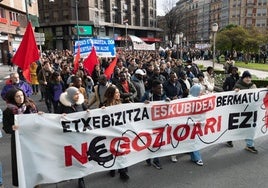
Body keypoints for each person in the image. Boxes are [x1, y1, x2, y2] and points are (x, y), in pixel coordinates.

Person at [2, 88, 39, 187]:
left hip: (31, 138)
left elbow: (37, 120)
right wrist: (12, 128)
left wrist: (40, 115)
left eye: (22, 95)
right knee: (20, 161)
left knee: (33, 159)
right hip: (17, 140)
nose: (20, 98)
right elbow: (6, 128)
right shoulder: (8, 112)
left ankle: (36, 182)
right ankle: (22, 182)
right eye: (17, 96)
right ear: (13, 98)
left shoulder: (30, 107)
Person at [57, 87, 88, 188]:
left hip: (80, 135)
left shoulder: (81, 103)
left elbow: (88, 112)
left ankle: (81, 178)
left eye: (78, 93)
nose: (77, 95)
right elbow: (54, 118)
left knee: (80, 157)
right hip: (68, 136)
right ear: (69, 95)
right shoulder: (62, 105)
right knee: (69, 157)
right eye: (75, 94)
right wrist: (60, 116)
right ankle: (69, 174)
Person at [227, 70, 258, 153]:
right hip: (238, 111)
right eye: (246, 77)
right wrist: (235, 92)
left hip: (249, 112)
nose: (248, 79)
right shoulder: (238, 86)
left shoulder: (253, 86)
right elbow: (232, 97)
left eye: (249, 77)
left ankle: (249, 145)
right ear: (243, 78)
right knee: (235, 127)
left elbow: (257, 96)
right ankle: (228, 138)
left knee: (250, 128)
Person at [103, 85, 130, 181]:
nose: (119, 94)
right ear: (111, 94)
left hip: (120, 131)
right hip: (110, 132)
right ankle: (113, 168)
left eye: (119, 92)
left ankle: (122, 171)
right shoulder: (104, 106)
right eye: (117, 93)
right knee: (112, 151)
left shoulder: (121, 103)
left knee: (121, 151)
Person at [141, 80, 170, 169]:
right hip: (149, 123)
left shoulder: (163, 95)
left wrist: (168, 101)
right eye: (159, 88)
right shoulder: (147, 95)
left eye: (161, 87)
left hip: (159, 123)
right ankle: (149, 158)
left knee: (157, 142)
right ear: (153, 89)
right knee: (150, 141)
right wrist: (143, 103)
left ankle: (156, 160)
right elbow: (139, 106)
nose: (161, 89)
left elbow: (168, 104)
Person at [188, 84, 204, 166]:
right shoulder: (189, 100)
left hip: (197, 123)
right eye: (200, 91)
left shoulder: (199, 99)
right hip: (192, 123)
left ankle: (194, 157)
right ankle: (197, 158)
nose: (202, 93)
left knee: (193, 140)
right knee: (194, 140)